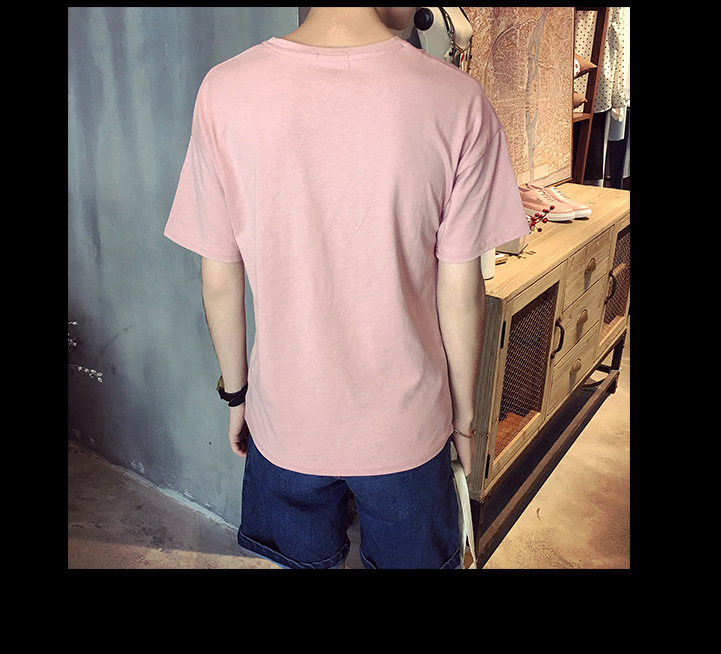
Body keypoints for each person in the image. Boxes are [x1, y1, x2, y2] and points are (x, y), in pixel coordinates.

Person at [165, 7, 529, 569]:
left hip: (285, 422)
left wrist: (238, 397)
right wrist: (464, 424)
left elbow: (219, 274)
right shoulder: (458, 101)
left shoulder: (224, 90)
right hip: (408, 431)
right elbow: (460, 292)